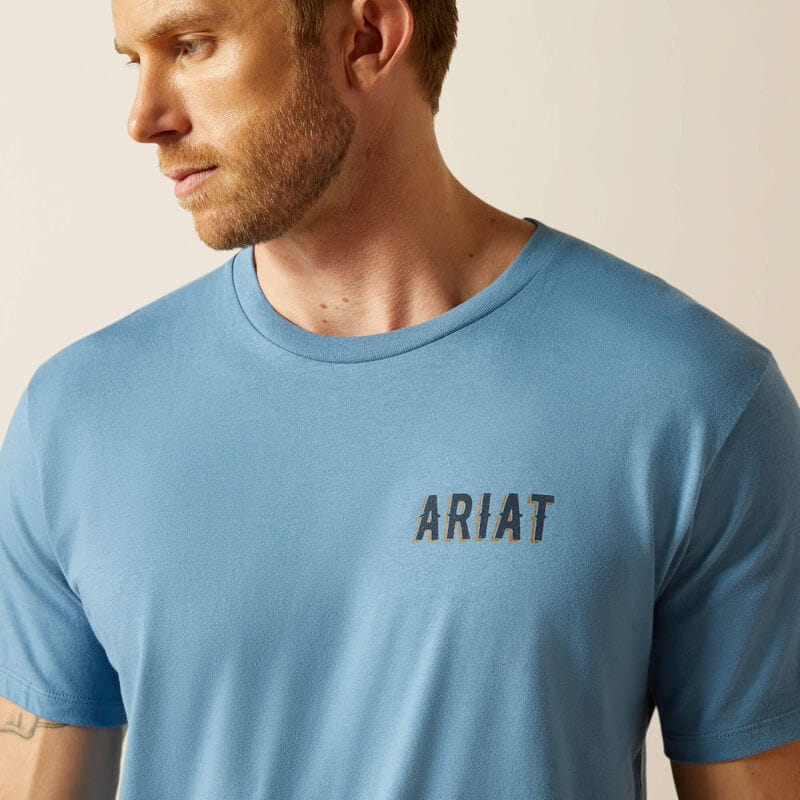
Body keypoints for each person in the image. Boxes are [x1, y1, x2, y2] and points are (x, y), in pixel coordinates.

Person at [1, 0, 798, 797]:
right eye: (133, 61)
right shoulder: (74, 421)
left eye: (192, 45)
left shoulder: (692, 398)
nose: (144, 120)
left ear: (367, 37)